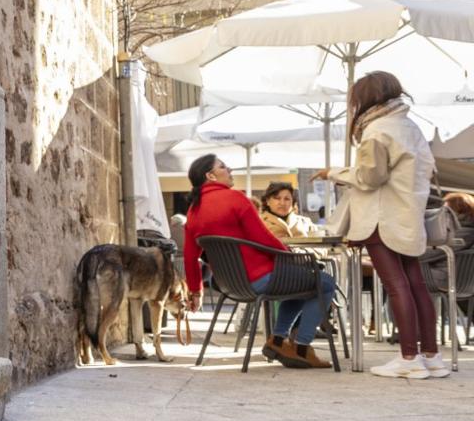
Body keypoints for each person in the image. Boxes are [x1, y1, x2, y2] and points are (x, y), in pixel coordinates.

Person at [315, 71, 446, 380]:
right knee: (416, 284)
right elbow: (426, 169)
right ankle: (431, 355)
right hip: (408, 213)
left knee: (396, 285)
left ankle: (409, 358)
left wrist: (334, 173)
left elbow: (370, 177)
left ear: (365, 98)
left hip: (379, 217)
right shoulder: (410, 126)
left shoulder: (376, 130)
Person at [183, 155, 336, 368]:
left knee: (301, 283)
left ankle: (278, 340)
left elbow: (190, 257)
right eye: (223, 166)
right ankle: (302, 346)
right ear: (210, 176)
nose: (230, 169)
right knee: (325, 282)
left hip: (231, 285)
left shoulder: (193, 211)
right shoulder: (235, 198)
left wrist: (195, 292)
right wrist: (292, 258)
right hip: (260, 278)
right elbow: (263, 238)